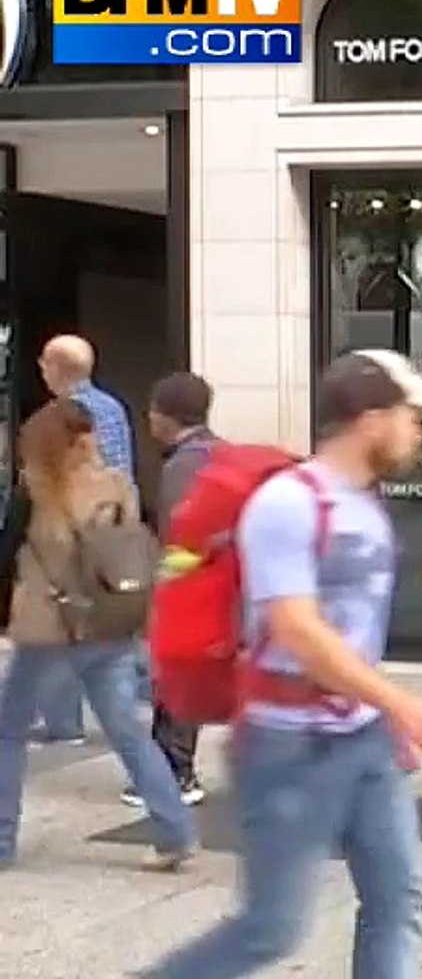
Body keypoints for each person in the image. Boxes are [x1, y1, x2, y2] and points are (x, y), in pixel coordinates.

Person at [142, 350, 422, 978]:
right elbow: (295, 626)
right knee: (271, 930)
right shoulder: (289, 502)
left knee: (397, 899)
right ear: (371, 417)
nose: (418, 430)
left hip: (363, 738)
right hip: (288, 744)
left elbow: (350, 633)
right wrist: (399, 701)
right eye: (411, 414)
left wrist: (378, 711)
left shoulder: (364, 503)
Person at [0, 399, 196, 872]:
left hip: (52, 629)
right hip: (111, 623)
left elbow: (6, 553)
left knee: (7, 732)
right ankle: (174, 831)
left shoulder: (36, 491)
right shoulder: (117, 486)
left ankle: (2, 839)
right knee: (128, 732)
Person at [29, 333, 137, 746]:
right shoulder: (111, 408)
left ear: (57, 369)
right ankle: (99, 715)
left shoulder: (62, 415)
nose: (41, 370)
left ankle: (64, 721)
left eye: (43, 363)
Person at [121, 371, 219, 810]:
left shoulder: (183, 464)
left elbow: (182, 534)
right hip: (212, 587)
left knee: (175, 680)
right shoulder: (217, 454)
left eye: (153, 412)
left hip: (190, 589)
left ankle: (173, 771)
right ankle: (173, 767)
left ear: (166, 415)